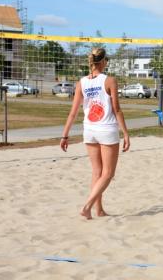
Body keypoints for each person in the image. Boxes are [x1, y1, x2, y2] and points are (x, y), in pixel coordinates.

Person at [60, 48, 130, 220]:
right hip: (106, 129)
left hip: (89, 130)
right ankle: (87, 206)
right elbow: (117, 110)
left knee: (96, 172)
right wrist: (126, 134)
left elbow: (73, 112)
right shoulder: (110, 81)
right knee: (107, 174)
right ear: (104, 61)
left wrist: (65, 135)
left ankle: (98, 210)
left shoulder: (81, 82)